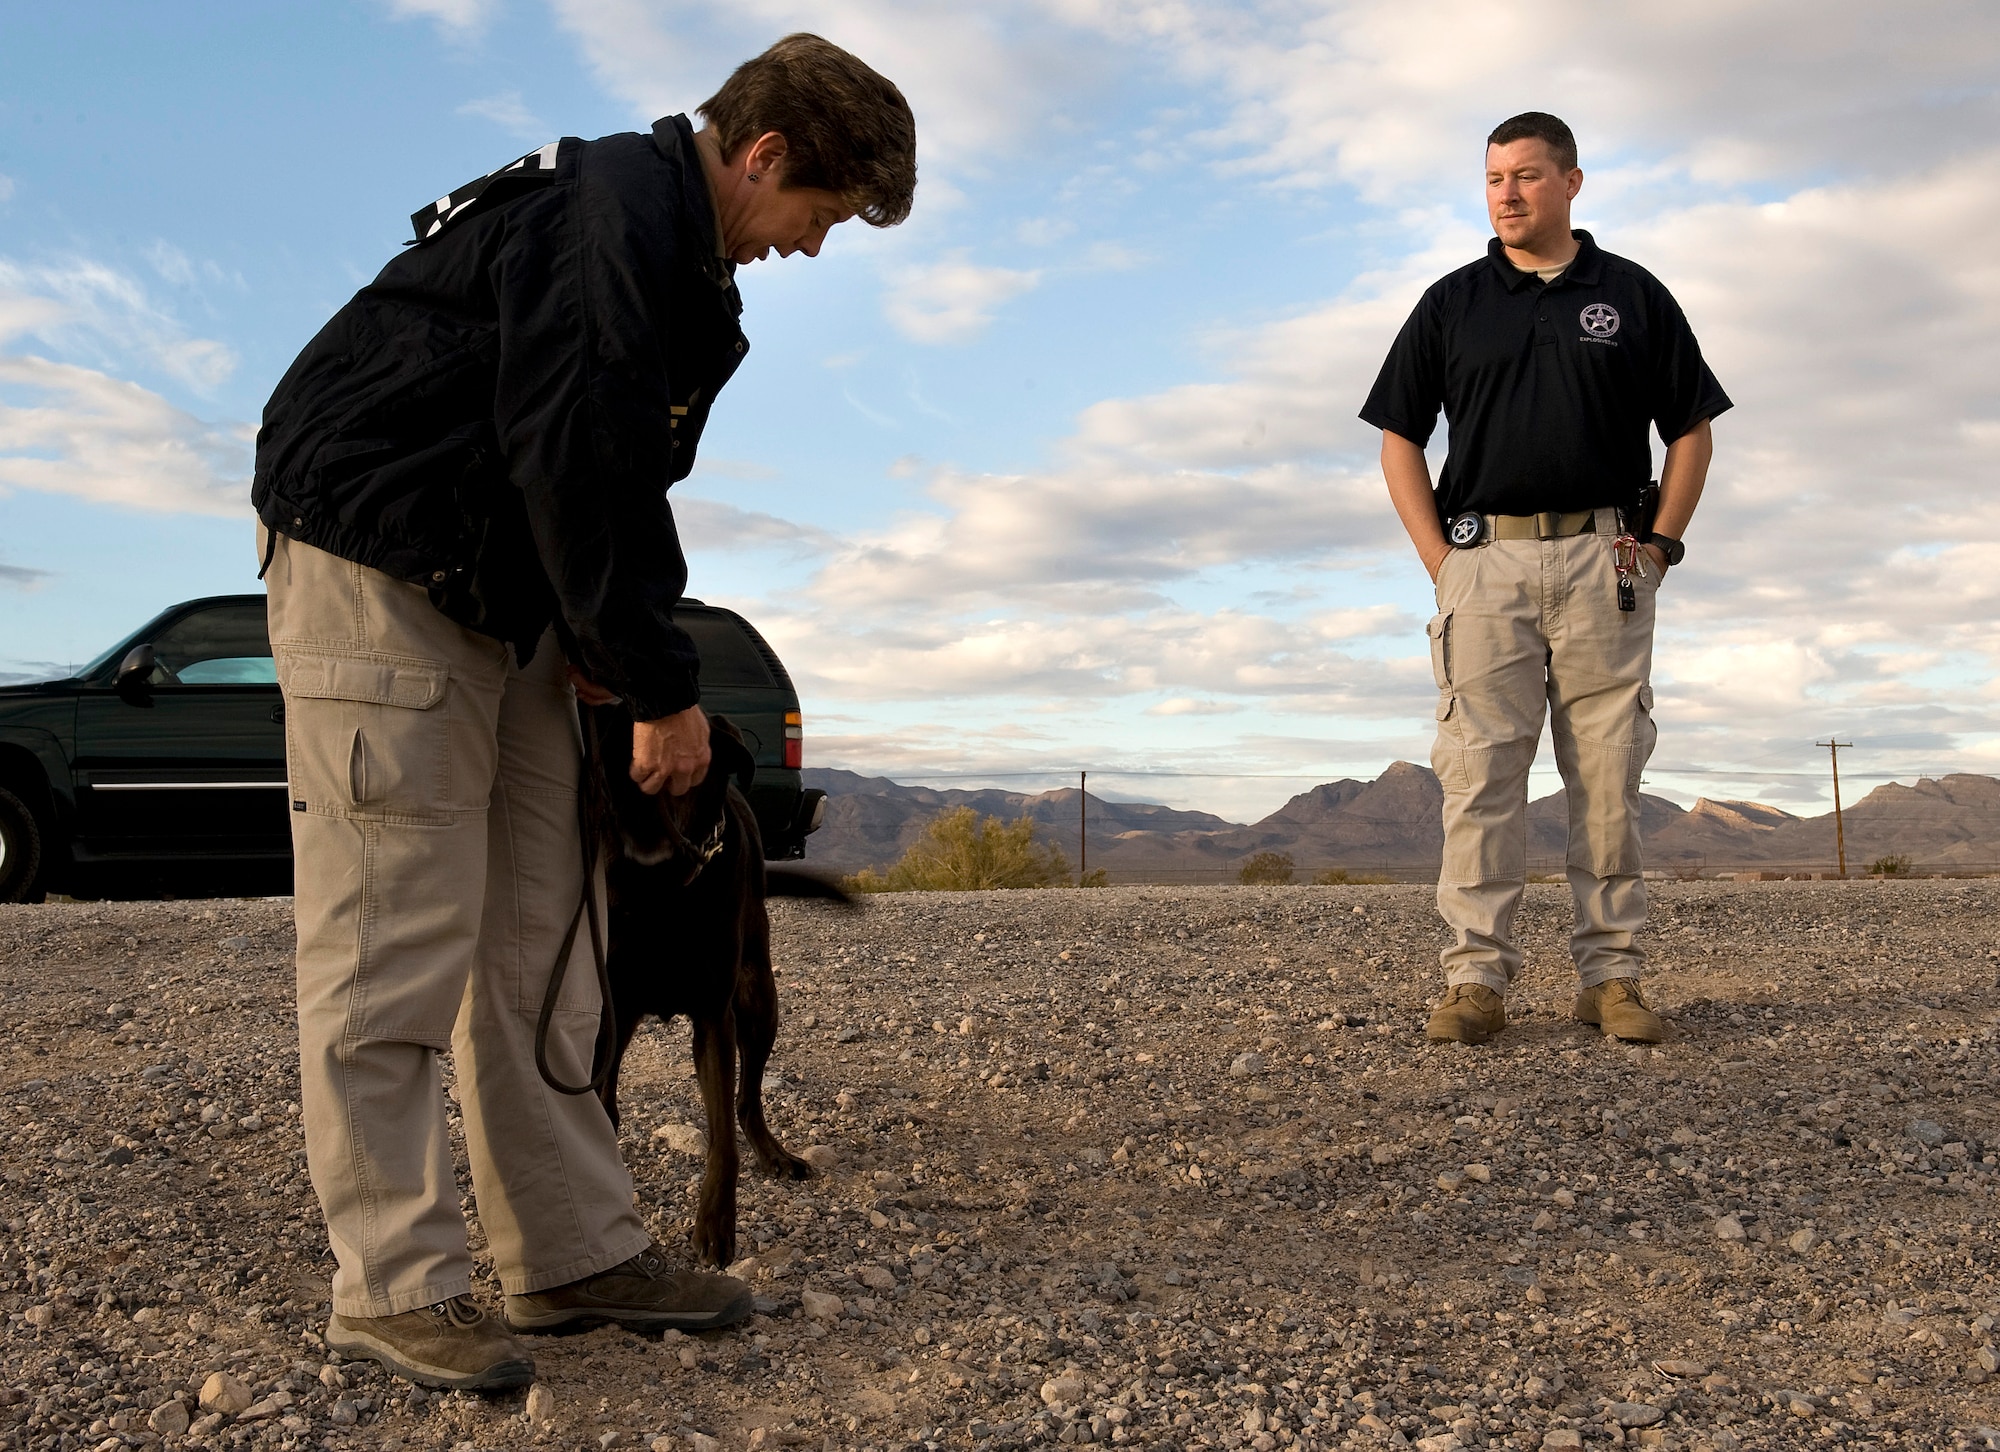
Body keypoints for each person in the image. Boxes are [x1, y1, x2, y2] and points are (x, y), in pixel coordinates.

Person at [250, 35, 916, 1391]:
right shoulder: (603, 219)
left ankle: (568, 1255)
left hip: (512, 595)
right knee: (393, 936)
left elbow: (621, 489)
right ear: (765, 156)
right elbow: (577, 451)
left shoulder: (674, 258)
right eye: (823, 216)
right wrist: (659, 690)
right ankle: (397, 1283)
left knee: (551, 932)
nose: (812, 248)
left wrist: (619, 660)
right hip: (381, 566)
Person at [1359, 112, 1728, 1047]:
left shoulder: (1633, 295)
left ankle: (1611, 980)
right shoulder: (1453, 302)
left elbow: (1692, 428)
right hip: (1484, 565)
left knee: (1606, 775)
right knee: (1479, 776)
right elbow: (1400, 436)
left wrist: (1660, 546)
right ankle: (1476, 979)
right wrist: (1440, 562)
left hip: (1609, 562)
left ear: (1571, 182)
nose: (1507, 194)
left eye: (1526, 176)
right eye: (1492, 179)